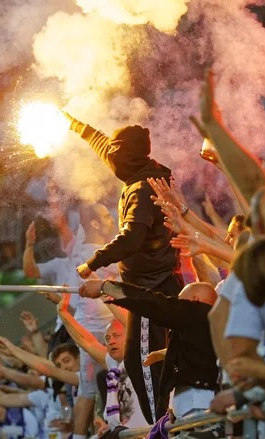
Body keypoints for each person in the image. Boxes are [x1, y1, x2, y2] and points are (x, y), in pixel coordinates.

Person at [66, 113, 182, 423]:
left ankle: (162, 425)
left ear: (126, 156)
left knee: (142, 362)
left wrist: (92, 264)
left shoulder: (142, 188)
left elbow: (131, 239)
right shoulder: (141, 169)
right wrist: (77, 125)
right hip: (153, 287)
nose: (111, 160)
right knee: (154, 360)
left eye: (116, 155)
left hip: (151, 290)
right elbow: (105, 146)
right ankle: (169, 421)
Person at [23, 204, 119, 438]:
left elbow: (69, 227)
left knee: (93, 386)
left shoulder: (84, 248)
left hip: (100, 327)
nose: (111, 220)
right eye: (107, 216)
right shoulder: (94, 252)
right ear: (94, 224)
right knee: (87, 386)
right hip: (93, 332)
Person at [80, 280, 219, 420]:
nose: (177, 304)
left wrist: (106, 288)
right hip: (198, 403)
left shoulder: (195, 311)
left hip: (198, 404)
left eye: (180, 301)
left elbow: (154, 303)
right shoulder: (214, 326)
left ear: (195, 299)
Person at [57, 291, 148, 436]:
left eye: (116, 336)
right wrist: (63, 313)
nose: (111, 341)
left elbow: (133, 325)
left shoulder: (143, 356)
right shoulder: (114, 363)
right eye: (107, 337)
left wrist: (105, 294)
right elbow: (87, 342)